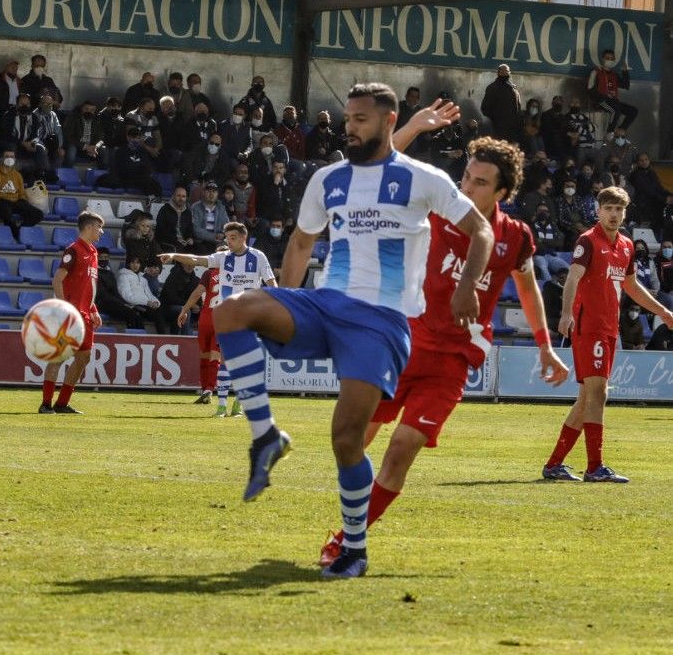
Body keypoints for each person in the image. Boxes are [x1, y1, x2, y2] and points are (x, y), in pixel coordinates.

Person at [209, 83, 494, 578]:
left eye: (361, 119)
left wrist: (468, 285)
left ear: (389, 120)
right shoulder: (327, 179)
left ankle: (354, 549)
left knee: (346, 438)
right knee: (232, 310)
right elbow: (300, 243)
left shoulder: (421, 179)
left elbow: (482, 231)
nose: (350, 127)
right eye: (348, 119)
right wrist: (285, 300)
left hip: (380, 322)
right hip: (324, 305)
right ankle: (266, 435)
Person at [318, 132, 570, 566]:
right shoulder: (432, 212)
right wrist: (413, 126)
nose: (467, 188)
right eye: (466, 177)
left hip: (451, 362)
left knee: (401, 449)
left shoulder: (515, 237)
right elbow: (379, 172)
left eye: (480, 183)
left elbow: (528, 291)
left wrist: (546, 347)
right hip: (400, 346)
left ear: (504, 193)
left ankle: (346, 538)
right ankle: (353, 513)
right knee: (354, 439)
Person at [543, 186, 673, 483]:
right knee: (598, 393)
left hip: (608, 328)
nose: (614, 214)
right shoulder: (587, 241)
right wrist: (566, 314)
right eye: (609, 209)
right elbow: (573, 278)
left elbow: (631, 286)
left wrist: (661, 312)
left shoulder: (626, 245)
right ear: (598, 211)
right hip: (589, 327)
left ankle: (554, 465)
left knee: (587, 396)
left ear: (624, 213)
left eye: (619, 209)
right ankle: (594, 466)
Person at [160, 223, 275, 417]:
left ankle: (238, 404)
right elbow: (197, 259)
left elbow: (271, 282)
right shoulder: (222, 258)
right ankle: (222, 406)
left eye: (232, 238)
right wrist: (174, 256)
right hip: (227, 315)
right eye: (227, 238)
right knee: (223, 360)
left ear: (243, 238)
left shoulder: (258, 257)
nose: (228, 241)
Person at [41, 212, 104, 414]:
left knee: (83, 358)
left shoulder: (93, 252)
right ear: (88, 227)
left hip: (85, 316)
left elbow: (88, 286)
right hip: (70, 315)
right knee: (59, 357)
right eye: (99, 227)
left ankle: (62, 403)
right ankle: (46, 404)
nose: (101, 231)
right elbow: (57, 280)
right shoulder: (74, 250)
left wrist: (93, 309)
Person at [177, 248, 223, 403]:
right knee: (215, 357)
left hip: (206, 318)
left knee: (204, 356)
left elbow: (197, 293)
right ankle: (210, 389)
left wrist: (184, 309)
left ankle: (205, 391)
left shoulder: (208, 274)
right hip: (222, 319)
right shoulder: (234, 275)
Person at [0, 149, 43, 237]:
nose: (9, 158)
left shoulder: (17, 175)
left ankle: (19, 230)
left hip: (16, 201)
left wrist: (22, 201)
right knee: (5, 212)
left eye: (12, 157)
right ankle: (15, 233)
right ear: (2, 158)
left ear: (15, 159)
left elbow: (22, 193)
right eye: (7, 156)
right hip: (1, 201)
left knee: (38, 214)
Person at [588, 48, 637, 134]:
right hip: (601, 101)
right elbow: (590, 90)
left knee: (633, 111)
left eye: (612, 59)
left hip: (614, 102)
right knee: (615, 110)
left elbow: (626, 86)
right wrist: (604, 96)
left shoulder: (614, 75)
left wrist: (625, 72)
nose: (610, 60)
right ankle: (609, 132)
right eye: (607, 58)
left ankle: (621, 129)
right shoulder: (596, 72)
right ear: (602, 59)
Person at [117, 254, 170, 334]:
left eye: (138, 263)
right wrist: (147, 302)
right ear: (128, 264)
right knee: (157, 313)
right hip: (133, 305)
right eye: (133, 263)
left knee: (161, 310)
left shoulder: (143, 279)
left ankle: (166, 337)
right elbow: (126, 296)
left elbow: (149, 294)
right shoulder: (123, 276)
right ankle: (162, 337)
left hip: (146, 305)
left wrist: (156, 302)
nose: (135, 265)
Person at [480, 63, 523, 145]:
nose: (505, 73)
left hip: (513, 129)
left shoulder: (513, 88)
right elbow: (485, 108)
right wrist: (497, 119)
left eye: (507, 71)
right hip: (499, 129)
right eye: (502, 71)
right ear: (498, 73)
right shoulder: (493, 88)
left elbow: (518, 108)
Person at [189, 181, 230, 253]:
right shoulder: (195, 207)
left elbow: (227, 225)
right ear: (204, 192)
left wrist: (223, 234)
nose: (211, 194)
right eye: (209, 191)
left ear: (217, 194)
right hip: (200, 241)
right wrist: (214, 237)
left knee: (226, 250)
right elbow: (195, 229)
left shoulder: (221, 207)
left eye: (214, 192)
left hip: (218, 241)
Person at [62, 100, 106, 167]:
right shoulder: (73, 118)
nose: (89, 112)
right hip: (77, 146)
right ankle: (67, 173)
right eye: (86, 109)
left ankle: (103, 175)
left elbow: (101, 138)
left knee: (103, 150)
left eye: (92, 110)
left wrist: (96, 147)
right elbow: (68, 136)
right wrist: (85, 147)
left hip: (92, 147)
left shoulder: (97, 120)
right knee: (71, 151)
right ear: (81, 109)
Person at [155, 186, 194, 253]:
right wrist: (177, 239)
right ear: (173, 196)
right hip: (169, 241)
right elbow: (160, 230)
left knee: (199, 249)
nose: (181, 198)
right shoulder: (165, 209)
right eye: (178, 196)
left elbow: (189, 228)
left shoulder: (187, 212)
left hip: (183, 241)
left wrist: (189, 238)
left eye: (183, 196)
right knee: (181, 249)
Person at [540, 95, 571, 163]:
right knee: (556, 136)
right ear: (552, 103)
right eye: (556, 101)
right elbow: (547, 128)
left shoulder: (563, 117)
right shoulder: (546, 114)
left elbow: (565, 128)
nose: (558, 103)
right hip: (549, 138)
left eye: (560, 102)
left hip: (561, 138)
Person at [543, 267, 568, 343]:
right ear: (557, 279)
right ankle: (565, 347)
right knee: (565, 324)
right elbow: (547, 308)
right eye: (561, 277)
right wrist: (560, 313)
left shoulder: (576, 288)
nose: (564, 279)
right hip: (552, 318)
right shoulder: (550, 288)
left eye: (566, 277)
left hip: (569, 317)